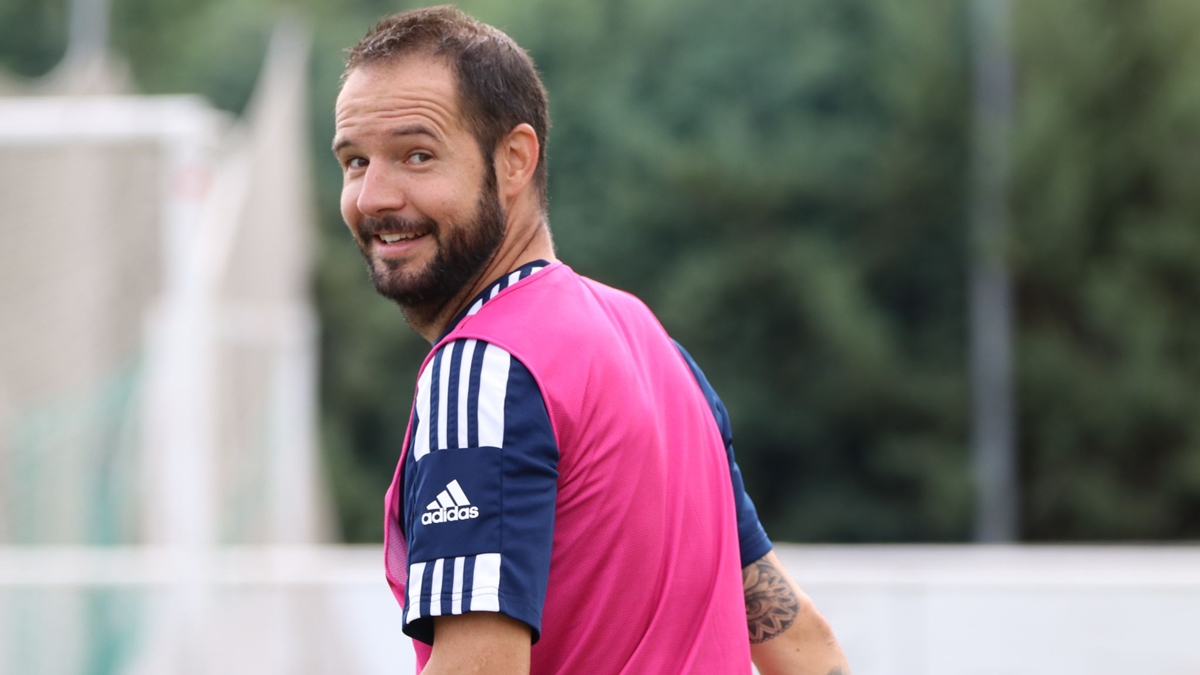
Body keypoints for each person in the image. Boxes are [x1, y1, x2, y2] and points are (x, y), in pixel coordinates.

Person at [332, 6, 850, 674]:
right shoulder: (653, 344)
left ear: (514, 159)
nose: (373, 195)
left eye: (417, 155)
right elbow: (805, 644)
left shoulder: (483, 368)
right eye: (354, 162)